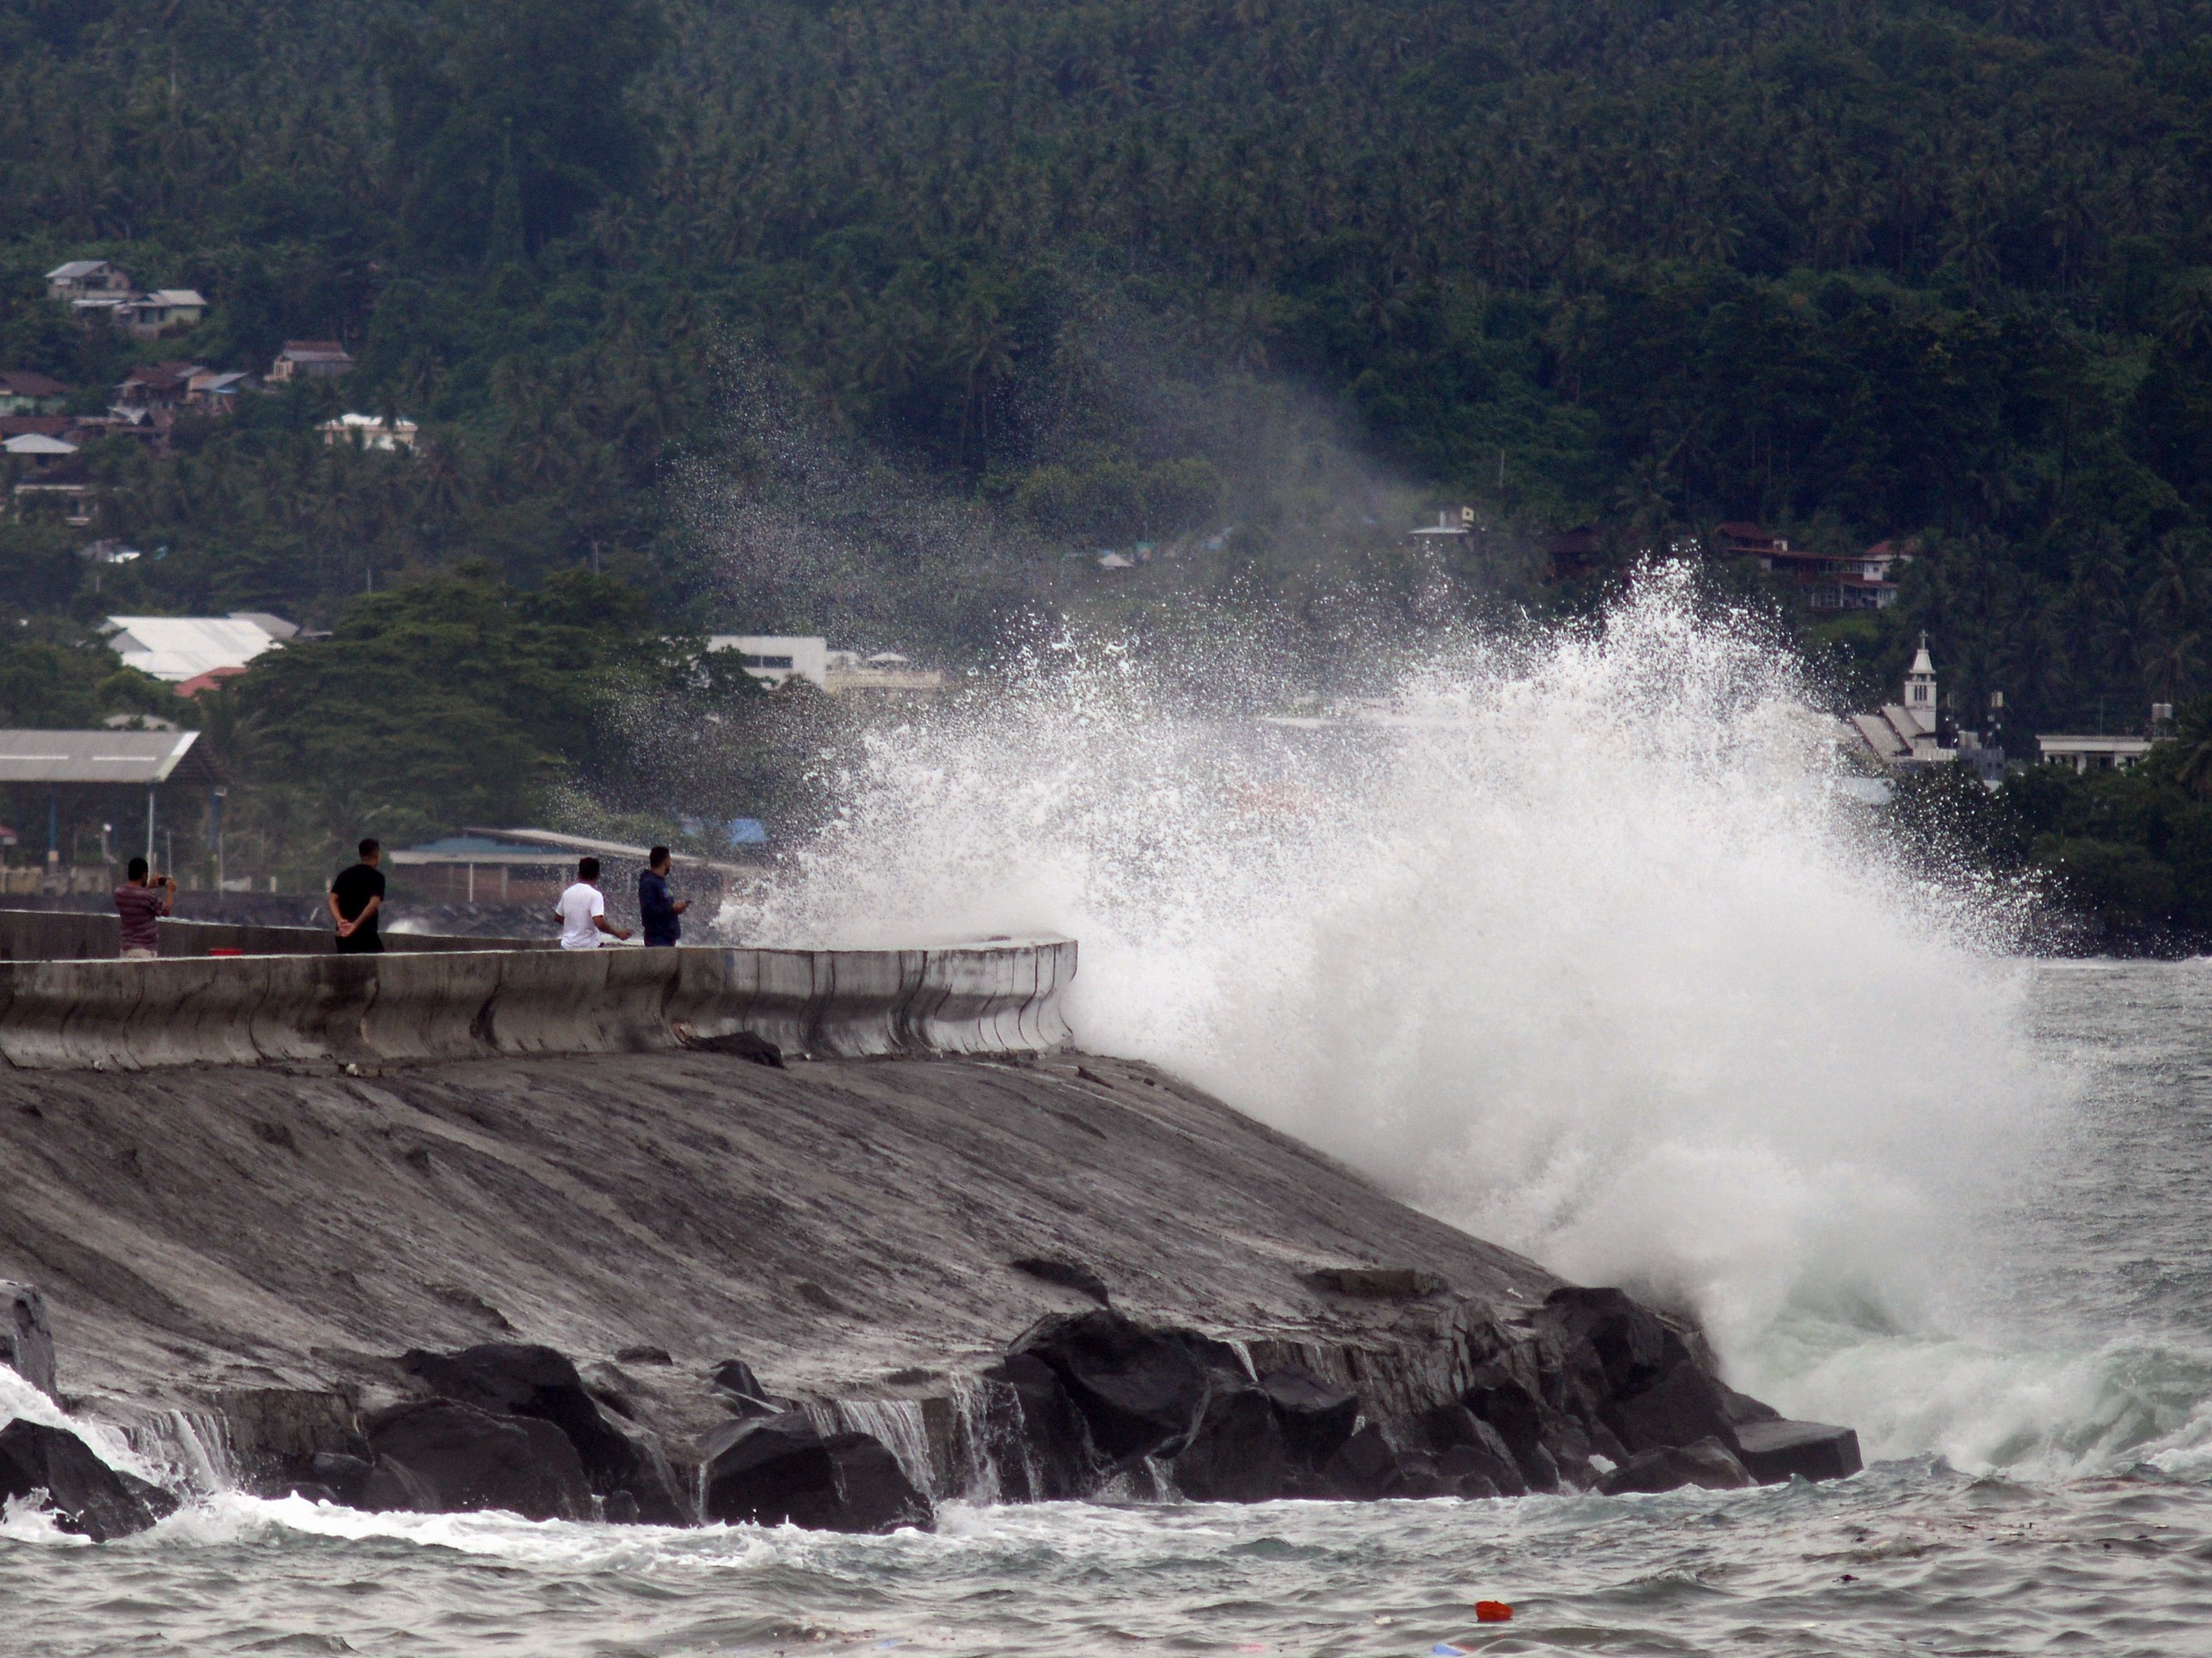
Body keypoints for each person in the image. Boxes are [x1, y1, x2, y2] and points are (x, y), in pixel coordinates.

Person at [556, 856, 631, 948]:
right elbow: (599, 923)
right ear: (598, 875)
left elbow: (557, 917)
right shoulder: (595, 895)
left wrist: (575, 924)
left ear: (579, 874)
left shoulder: (567, 893)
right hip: (588, 948)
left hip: (566, 947)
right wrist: (617, 934)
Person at [329, 839, 386, 954]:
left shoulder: (344, 875)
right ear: (377, 855)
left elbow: (332, 900)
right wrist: (355, 925)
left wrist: (340, 921)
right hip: (366, 935)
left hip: (343, 936)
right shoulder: (377, 877)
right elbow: (373, 905)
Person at [114, 856, 174, 960]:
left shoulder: (119, 893)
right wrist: (170, 890)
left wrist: (148, 887)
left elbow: (136, 896)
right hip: (144, 950)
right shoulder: (147, 896)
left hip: (126, 949)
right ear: (144, 874)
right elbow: (166, 911)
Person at [637, 845, 689, 948]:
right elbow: (649, 911)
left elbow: (664, 906)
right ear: (665, 861)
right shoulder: (649, 883)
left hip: (668, 938)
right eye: (670, 861)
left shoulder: (661, 882)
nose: (670, 864)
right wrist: (672, 909)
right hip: (657, 939)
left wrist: (676, 908)